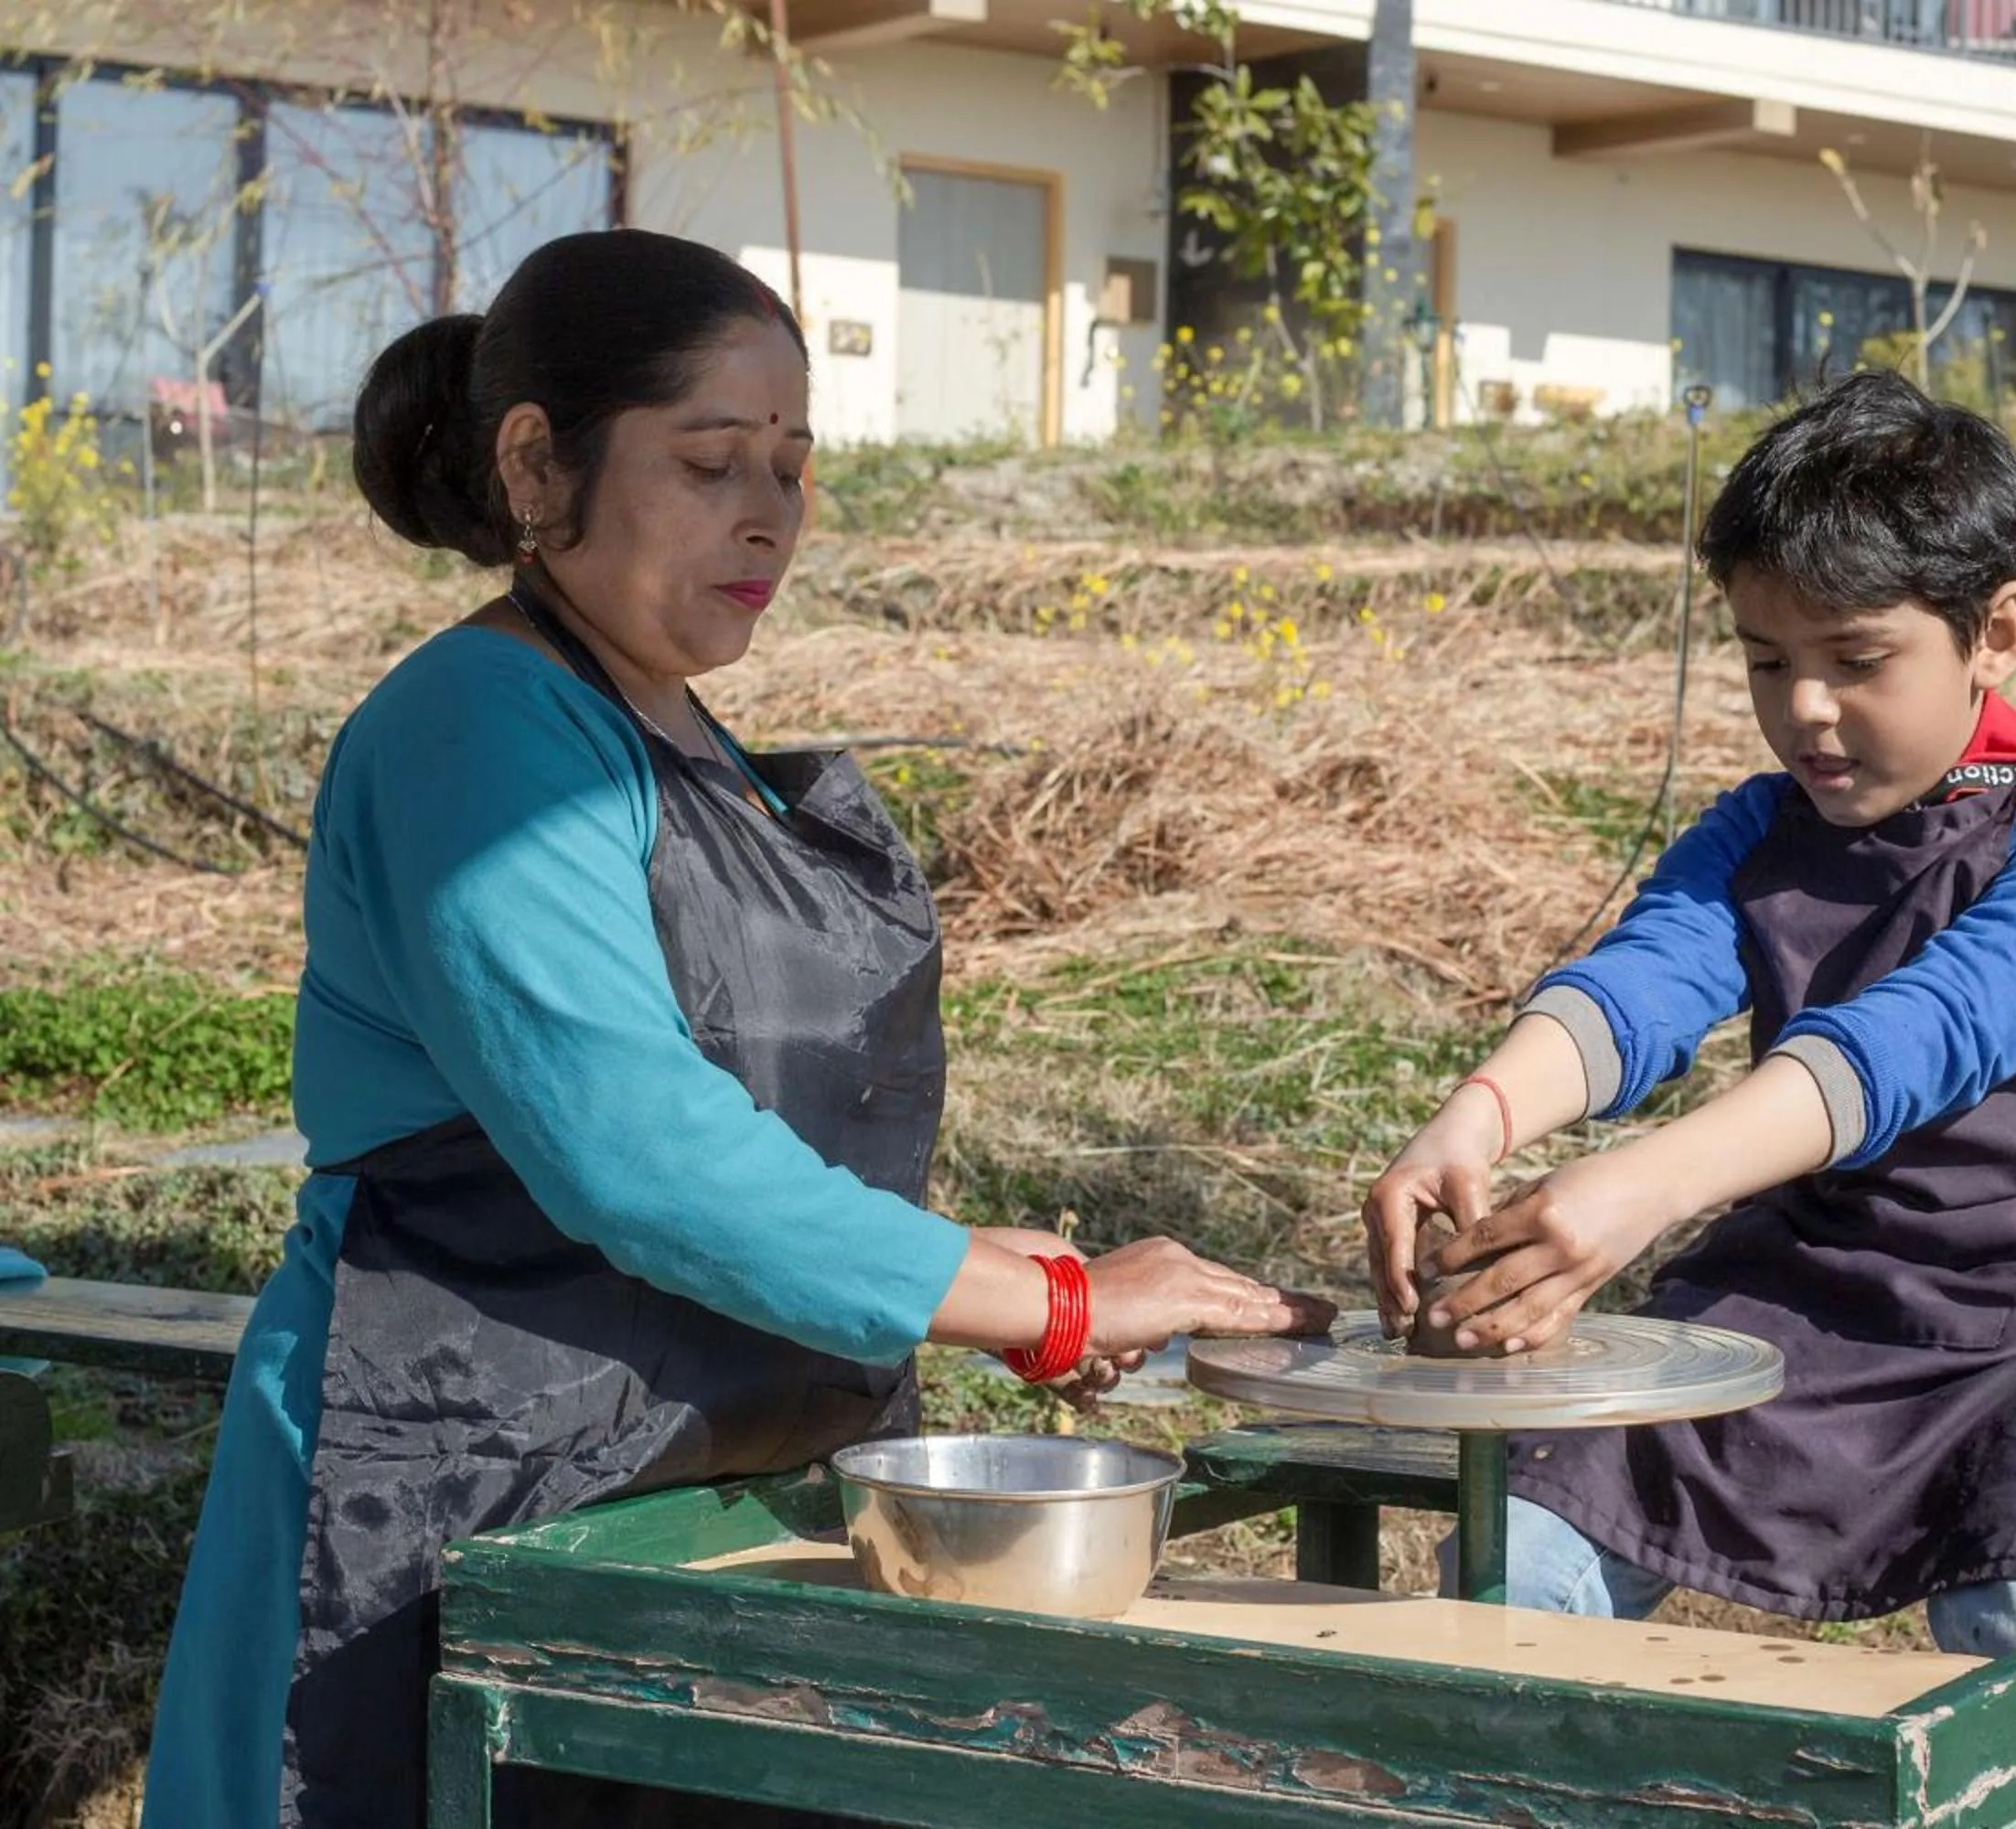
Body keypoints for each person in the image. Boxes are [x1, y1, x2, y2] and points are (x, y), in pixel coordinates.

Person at [143, 229, 1325, 1829]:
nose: (766, 512)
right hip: (443, 1480)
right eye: (709, 463)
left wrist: (975, 1259)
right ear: (534, 461)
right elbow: (641, 1151)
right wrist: (1030, 1303)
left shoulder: (683, 735)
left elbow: (750, 1129)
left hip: (700, 1486)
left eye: (792, 463)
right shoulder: (478, 730)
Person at [1363, 369, 2016, 1654]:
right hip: (1817, 1294)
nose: (1807, 711)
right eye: (1769, 663)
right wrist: (1480, 1114)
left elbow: (1922, 1035)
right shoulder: (1762, 827)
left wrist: (1646, 1187)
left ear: (1996, 633)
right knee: (1522, 1555)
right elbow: (1646, 980)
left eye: (1857, 661)